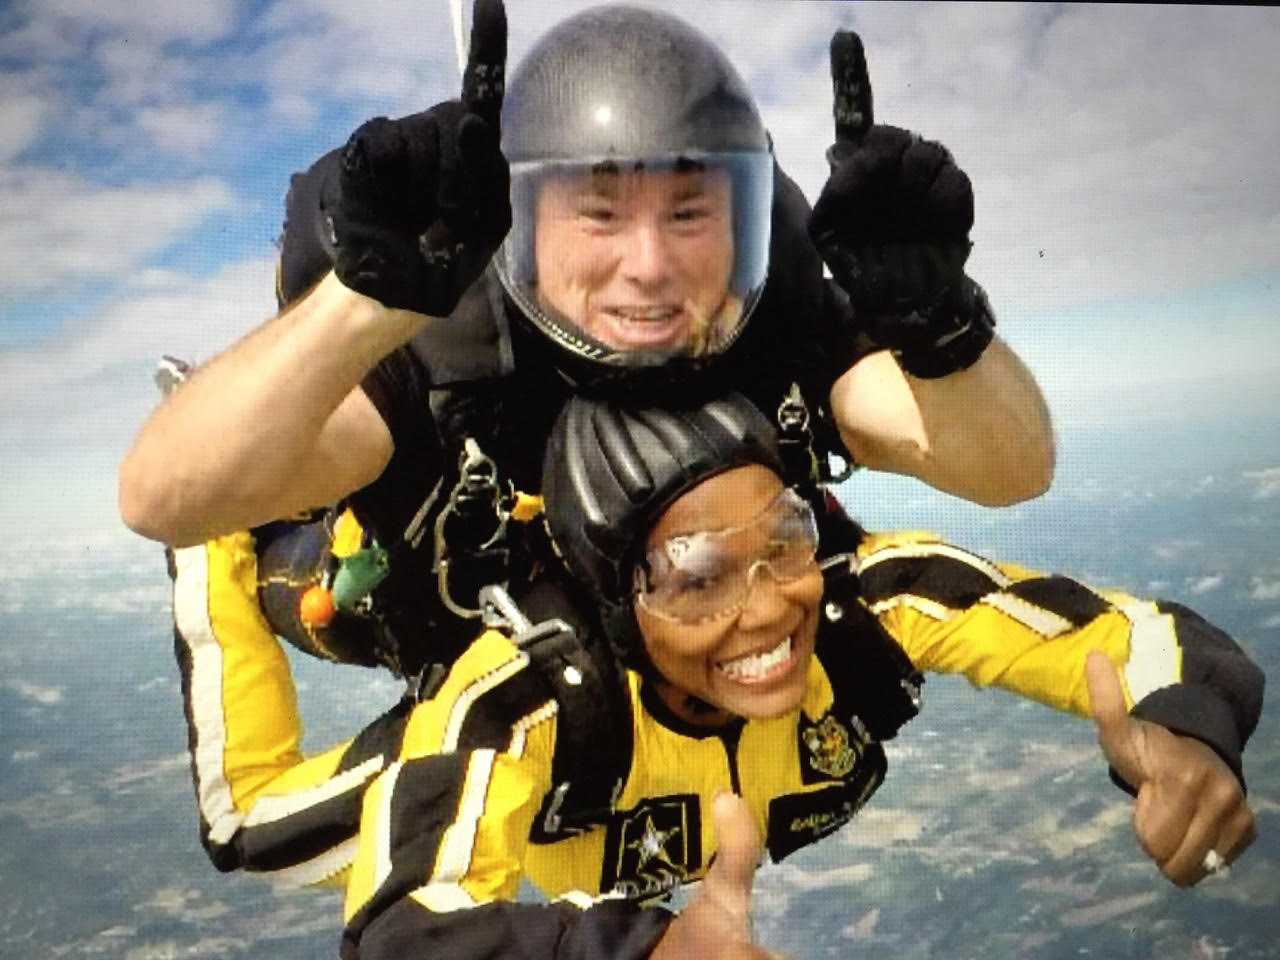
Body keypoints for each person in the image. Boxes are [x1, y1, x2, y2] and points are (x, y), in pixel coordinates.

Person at [120, 1, 1054, 682]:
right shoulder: (452, 348)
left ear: (743, 222)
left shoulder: (779, 324)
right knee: (332, 594)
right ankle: (237, 397)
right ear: (525, 225)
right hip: (440, 607)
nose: (648, 267)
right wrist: (359, 306)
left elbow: (1010, 469)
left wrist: (940, 323)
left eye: (688, 213)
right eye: (599, 214)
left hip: (666, 634)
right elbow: (165, 500)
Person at [327, 390, 1262, 960]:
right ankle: (254, 553)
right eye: (697, 577)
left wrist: (1185, 717)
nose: (771, 606)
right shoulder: (523, 701)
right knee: (256, 821)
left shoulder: (865, 606)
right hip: (527, 783)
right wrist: (637, 951)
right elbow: (400, 930)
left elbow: (1129, 631)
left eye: (785, 539)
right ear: (615, 606)